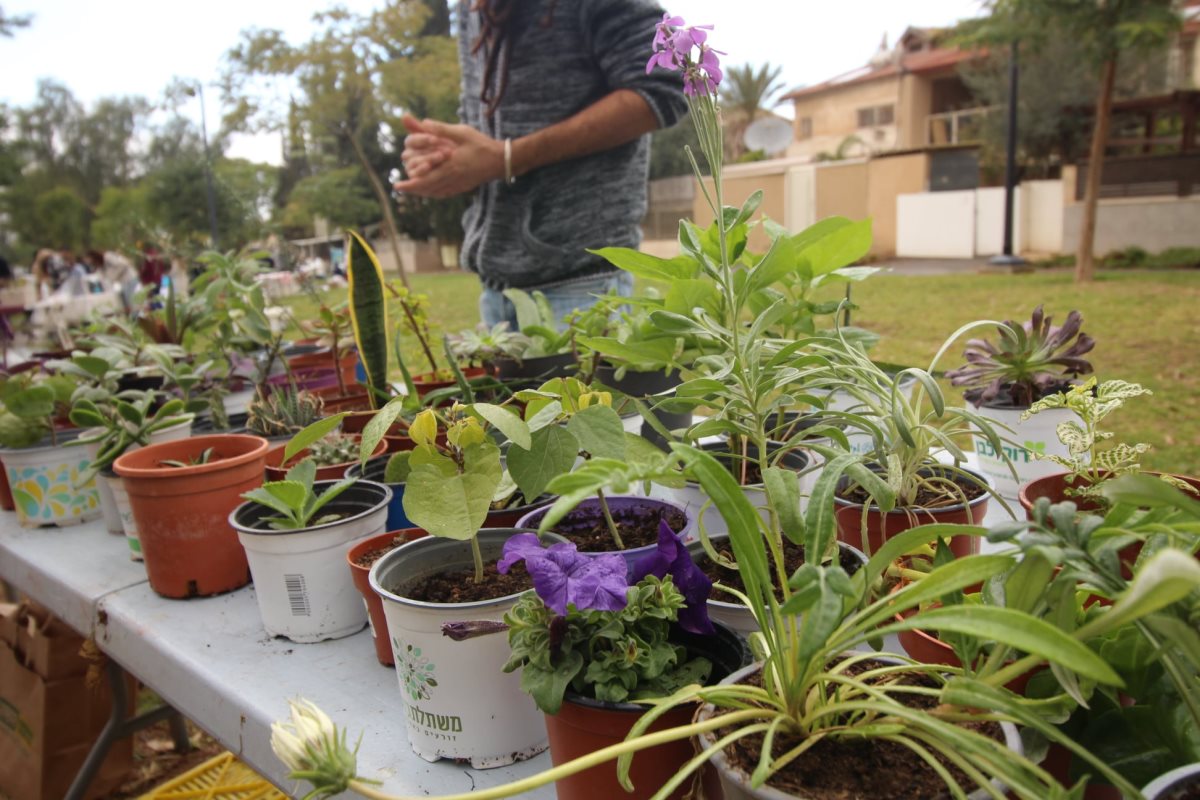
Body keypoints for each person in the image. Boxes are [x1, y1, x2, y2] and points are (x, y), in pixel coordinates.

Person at [395, 0, 686, 330]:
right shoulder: (470, 8)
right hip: (496, 291)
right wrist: (451, 158)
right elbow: (484, 119)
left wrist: (507, 158)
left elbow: (665, 82)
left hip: (581, 286)